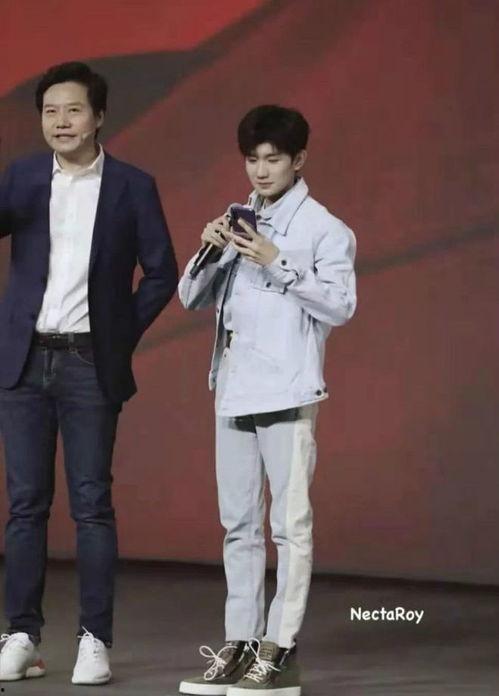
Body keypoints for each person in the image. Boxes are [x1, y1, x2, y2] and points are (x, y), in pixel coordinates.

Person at [0, 61, 178, 685]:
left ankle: (94, 640)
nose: (61, 122)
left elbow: (162, 271)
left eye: (73, 110)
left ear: (98, 116)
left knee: (92, 505)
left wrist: (119, 333)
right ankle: (21, 634)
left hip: (87, 363)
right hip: (23, 361)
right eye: (50, 112)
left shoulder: (131, 186)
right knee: (25, 506)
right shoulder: (23, 177)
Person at [177, 105, 356, 696]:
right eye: (252, 159)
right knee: (238, 525)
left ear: (298, 159)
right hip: (233, 388)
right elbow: (190, 299)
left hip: (288, 389)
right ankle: (241, 642)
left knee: (289, 526)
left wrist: (277, 262)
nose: (260, 170)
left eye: (272, 159)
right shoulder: (239, 221)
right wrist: (210, 250)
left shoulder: (324, 229)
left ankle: (280, 649)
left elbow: (340, 306)